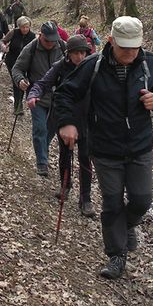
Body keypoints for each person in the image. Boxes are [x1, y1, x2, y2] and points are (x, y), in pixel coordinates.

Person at [54, 16, 153, 280]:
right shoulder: (92, 66)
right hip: (105, 148)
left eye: (135, 47)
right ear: (111, 41)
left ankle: (127, 224)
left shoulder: (150, 64)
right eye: (124, 48)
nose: (130, 54)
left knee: (142, 200)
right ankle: (116, 255)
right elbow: (64, 93)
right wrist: (67, 123)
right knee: (111, 201)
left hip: (140, 146)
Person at [28, 34, 96, 217]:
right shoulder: (60, 66)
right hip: (64, 117)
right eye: (76, 53)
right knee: (65, 154)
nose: (79, 57)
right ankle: (65, 185)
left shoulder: (92, 67)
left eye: (83, 53)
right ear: (68, 54)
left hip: (87, 117)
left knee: (85, 157)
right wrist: (33, 95)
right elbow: (43, 83)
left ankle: (86, 198)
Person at [11, 22, 64, 176]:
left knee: (51, 130)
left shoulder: (63, 46)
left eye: (53, 40)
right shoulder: (31, 49)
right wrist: (20, 80)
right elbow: (17, 68)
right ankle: (42, 162)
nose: (51, 43)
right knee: (40, 128)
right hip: (37, 95)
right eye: (48, 40)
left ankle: (42, 148)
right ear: (40, 35)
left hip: (58, 97)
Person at [1, 16, 36, 115]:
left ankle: (19, 103)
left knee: (23, 83)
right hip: (12, 61)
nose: (25, 29)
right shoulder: (14, 32)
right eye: (23, 27)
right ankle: (18, 106)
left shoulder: (32, 36)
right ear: (19, 26)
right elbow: (2, 41)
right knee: (16, 82)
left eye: (27, 27)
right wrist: (4, 47)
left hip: (26, 63)